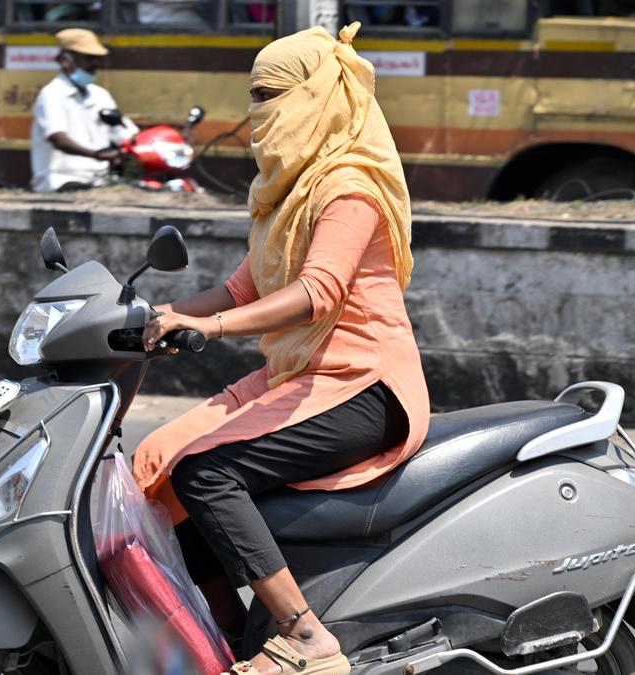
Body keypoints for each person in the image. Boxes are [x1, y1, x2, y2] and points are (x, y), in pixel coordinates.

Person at [133, 23, 431, 675]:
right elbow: (241, 288)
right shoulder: (288, 191)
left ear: (319, 96)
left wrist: (208, 330)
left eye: (273, 94)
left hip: (361, 385)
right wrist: (164, 314)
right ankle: (231, 640)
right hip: (297, 372)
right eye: (254, 95)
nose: (259, 111)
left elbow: (317, 292)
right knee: (155, 473)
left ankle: (306, 638)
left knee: (206, 471)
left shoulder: (348, 186)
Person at [30, 28, 137, 193]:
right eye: (89, 58)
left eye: (97, 59)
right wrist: (96, 155)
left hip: (99, 181)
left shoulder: (100, 95)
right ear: (66, 60)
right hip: (60, 180)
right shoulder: (52, 94)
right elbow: (58, 139)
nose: (96, 64)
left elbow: (126, 134)